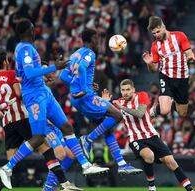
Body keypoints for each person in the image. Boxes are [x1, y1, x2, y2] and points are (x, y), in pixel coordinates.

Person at [0, 18, 108, 191]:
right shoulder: (24, 48)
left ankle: (86, 165)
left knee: (67, 127)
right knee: (39, 137)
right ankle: (7, 168)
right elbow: (30, 72)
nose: (35, 31)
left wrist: (55, 68)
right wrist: (54, 66)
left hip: (44, 93)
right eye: (33, 28)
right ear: (29, 30)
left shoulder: (28, 48)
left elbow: (35, 71)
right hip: (33, 96)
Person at [0, 51, 81, 191]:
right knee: (46, 149)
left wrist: (6, 114)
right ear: (4, 62)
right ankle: (64, 183)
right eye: (7, 60)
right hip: (23, 118)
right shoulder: (10, 74)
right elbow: (20, 92)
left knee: (10, 163)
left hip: (8, 124)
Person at [59, 29, 142, 175]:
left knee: (107, 128)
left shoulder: (75, 54)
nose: (98, 42)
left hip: (77, 98)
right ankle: (88, 139)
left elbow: (63, 75)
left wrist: (78, 87)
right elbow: (83, 68)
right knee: (117, 115)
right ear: (92, 39)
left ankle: (121, 164)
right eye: (96, 39)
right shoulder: (90, 53)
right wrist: (84, 88)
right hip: (87, 98)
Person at [111, 79, 195, 191]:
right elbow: (103, 112)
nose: (125, 92)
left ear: (133, 89)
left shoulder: (142, 95)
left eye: (128, 89)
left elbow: (140, 113)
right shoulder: (118, 102)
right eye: (123, 90)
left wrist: (122, 107)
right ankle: (152, 190)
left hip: (152, 136)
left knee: (171, 162)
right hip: (136, 139)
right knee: (149, 155)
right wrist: (103, 100)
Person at [142, 16, 195, 119]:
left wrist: (191, 57)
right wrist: (149, 63)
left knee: (182, 113)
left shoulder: (179, 36)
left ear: (163, 27)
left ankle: (171, 102)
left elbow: (189, 52)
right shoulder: (155, 46)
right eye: (153, 33)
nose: (156, 35)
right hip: (166, 76)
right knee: (164, 111)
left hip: (182, 77)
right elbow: (153, 70)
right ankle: (156, 109)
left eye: (158, 32)